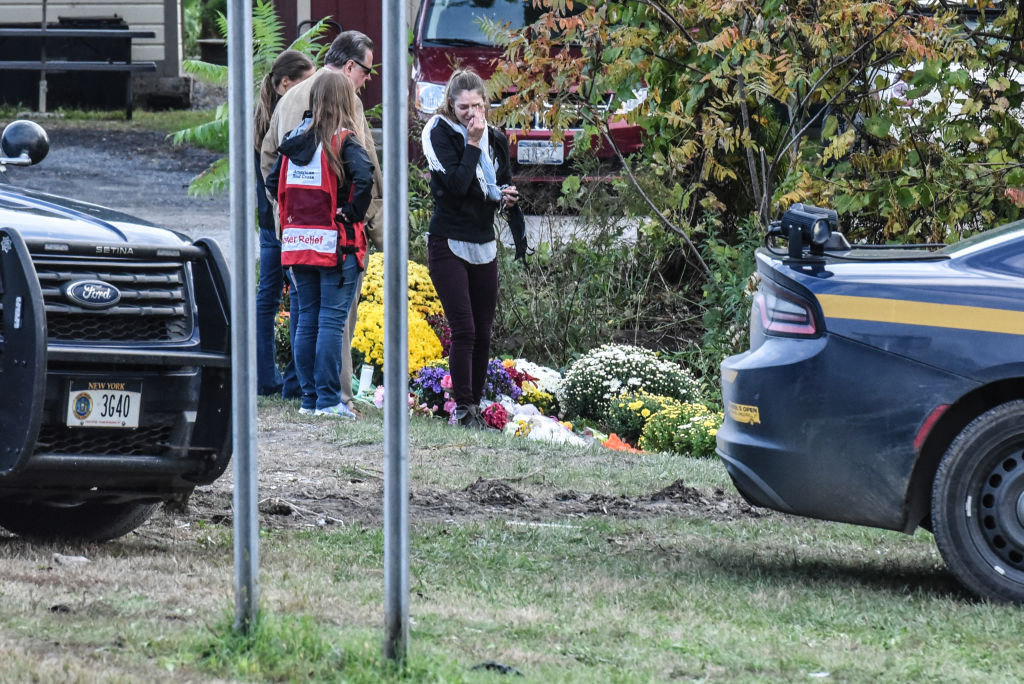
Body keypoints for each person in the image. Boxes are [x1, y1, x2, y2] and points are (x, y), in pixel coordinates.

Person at [261, 30, 382, 414]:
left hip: (296, 238)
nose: (365, 81)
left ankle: (307, 396)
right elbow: (367, 175)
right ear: (350, 70)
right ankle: (333, 397)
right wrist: (360, 219)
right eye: (365, 72)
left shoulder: (292, 115)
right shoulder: (346, 128)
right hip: (336, 239)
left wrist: (286, 215)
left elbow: (268, 166)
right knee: (333, 320)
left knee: (305, 315)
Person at [420, 69, 521, 428]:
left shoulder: (495, 137)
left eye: (477, 105)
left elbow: (501, 182)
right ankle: (461, 409)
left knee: (483, 331)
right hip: (449, 239)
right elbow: (458, 186)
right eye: (463, 107)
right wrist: (473, 142)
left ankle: (475, 405)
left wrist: (507, 197)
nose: (471, 114)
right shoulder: (439, 132)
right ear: (451, 105)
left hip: (484, 242)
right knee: (463, 329)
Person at [254, 49, 315, 397]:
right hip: (285, 219)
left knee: (268, 296)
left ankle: (265, 376)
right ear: (285, 84)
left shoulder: (263, 117)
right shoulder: (287, 117)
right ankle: (294, 381)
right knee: (299, 296)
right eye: (307, 82)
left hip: (268, 219)